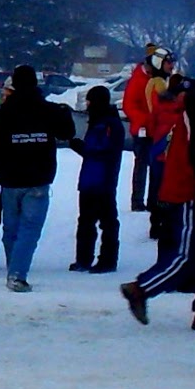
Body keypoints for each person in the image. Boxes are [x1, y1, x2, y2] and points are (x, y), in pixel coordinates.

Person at [121, 77, 195, 326]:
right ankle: (142, 288)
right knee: (189, 253)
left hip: (175, 185)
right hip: (188, 189)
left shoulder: (170, 113)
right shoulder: (188, 117)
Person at [0, 64, 75, 292]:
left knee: (11, 229)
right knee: (30, 229)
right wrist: (65, 114)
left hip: (10, 179)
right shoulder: (48, 110)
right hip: (38, 178)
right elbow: (67, 133)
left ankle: (14, 268)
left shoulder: (3, 115)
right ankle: (17, 273)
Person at [68, 85, 125, 272]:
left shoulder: (108, 124)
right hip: (90, 179)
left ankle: (107, 260)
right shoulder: (99, 121)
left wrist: (80, 147)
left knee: (107, 222)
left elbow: (102, 151)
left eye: (90, 101)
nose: (87, 105)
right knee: (86, 221)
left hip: (103, 180)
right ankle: (83, 259)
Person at [123, 45, 172, 214]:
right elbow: (129, 105)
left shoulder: (158, 80)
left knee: (155, 166)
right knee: (142, 165)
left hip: (156, 130)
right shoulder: (138, 80)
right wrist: (144, 120)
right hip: (143, 130)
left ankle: (153, 199)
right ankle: (137, 200)